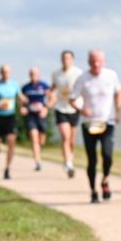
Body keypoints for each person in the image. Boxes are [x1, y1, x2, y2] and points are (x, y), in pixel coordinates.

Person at [71, 50, 121, 203]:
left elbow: (118, 92)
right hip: (90, 123)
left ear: (104, 61)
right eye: (93, 60)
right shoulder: (82, 78)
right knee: (92, 159)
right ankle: (93, 191)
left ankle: (105, 180)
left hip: (108, 121)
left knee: (107, 155)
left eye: (98, 60)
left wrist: (118, 110)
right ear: (89, 61)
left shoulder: (111, 75)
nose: (96, 63)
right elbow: (72, 99)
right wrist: (81, 109)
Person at [51, 50, 83, 178]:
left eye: (68, 58)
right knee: (65, 136)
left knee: (71, 139)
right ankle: (68, 163)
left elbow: (83, 88)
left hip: (74, 107)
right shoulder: (56, 73)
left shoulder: (78, 73)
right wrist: (49, 93)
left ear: (72, 60)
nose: (66, 60)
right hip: (61, 107)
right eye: (64, 58)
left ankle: (69, 157)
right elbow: (53, 87)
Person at [20, 67, 51, 171]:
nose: (33, 76)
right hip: (31, 115)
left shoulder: (44, 86)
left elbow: (52, 97)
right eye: (32, 74)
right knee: (34, 138)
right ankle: (38, 162)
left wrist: (46, 108)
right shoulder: (26, 87)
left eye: (35, 74)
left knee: (41, 140)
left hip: (41, 115)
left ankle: (39, 149)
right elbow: (21, 99)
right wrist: (22, 107)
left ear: (39, 75)